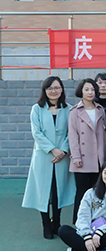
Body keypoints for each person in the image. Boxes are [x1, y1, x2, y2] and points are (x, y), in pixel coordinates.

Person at [23, 76, 75, 239]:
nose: (54, 91)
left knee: (58, 190)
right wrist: (52, 149)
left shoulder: (69, 109)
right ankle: (46, 223)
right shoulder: (37, 109)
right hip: (44, 156)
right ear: (45, 91)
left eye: (57, 87)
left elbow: (71, 133)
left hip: (62, 156)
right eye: (50, 88)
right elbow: (36, 133)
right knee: (43, 190)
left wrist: (63, 150)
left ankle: (56, 222)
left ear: (62, 89)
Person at [57, 159, 106, 251]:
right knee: (63, 230)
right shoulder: (90, 193)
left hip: (104, 233)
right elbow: (83, 216)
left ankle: (79, 250)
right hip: (87, 231)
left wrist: (100, 232)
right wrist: (87, 237)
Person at [68, 78, 106, 224]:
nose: (90, 92)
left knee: (97, 191)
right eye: (86, 89)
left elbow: (104, 134)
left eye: (92, 89)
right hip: (82, 157)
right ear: (81, 91)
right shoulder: (74, 111)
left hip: (99, 157)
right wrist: (76, 157)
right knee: (82, 191)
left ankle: (95, 221)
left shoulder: (100, 109)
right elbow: (73, 136)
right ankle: (78, 222)